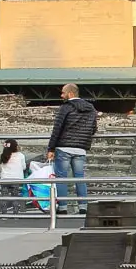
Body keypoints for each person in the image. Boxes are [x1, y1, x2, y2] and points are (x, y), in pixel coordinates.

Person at [46, 83, 98, 215]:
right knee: (79, 177)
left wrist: (51, 148)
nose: (61, 95)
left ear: (70, 94)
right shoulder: (90, 108)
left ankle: (63, 207)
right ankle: (83, 207)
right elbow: (93, 129)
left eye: (63, 93)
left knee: (61, 178)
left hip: (64, 148)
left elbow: (57, 129)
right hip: (81, 149)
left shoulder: (66, 108)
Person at [0, 139, 27, 214]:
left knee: (4, 197)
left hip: (4, 179)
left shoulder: (3, 155)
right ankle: (15, 214)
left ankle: (4, 214)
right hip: (16, 179)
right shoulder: (21, 155)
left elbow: (1, 167)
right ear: (15, 147)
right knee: (15, 197)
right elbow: (24, 167)